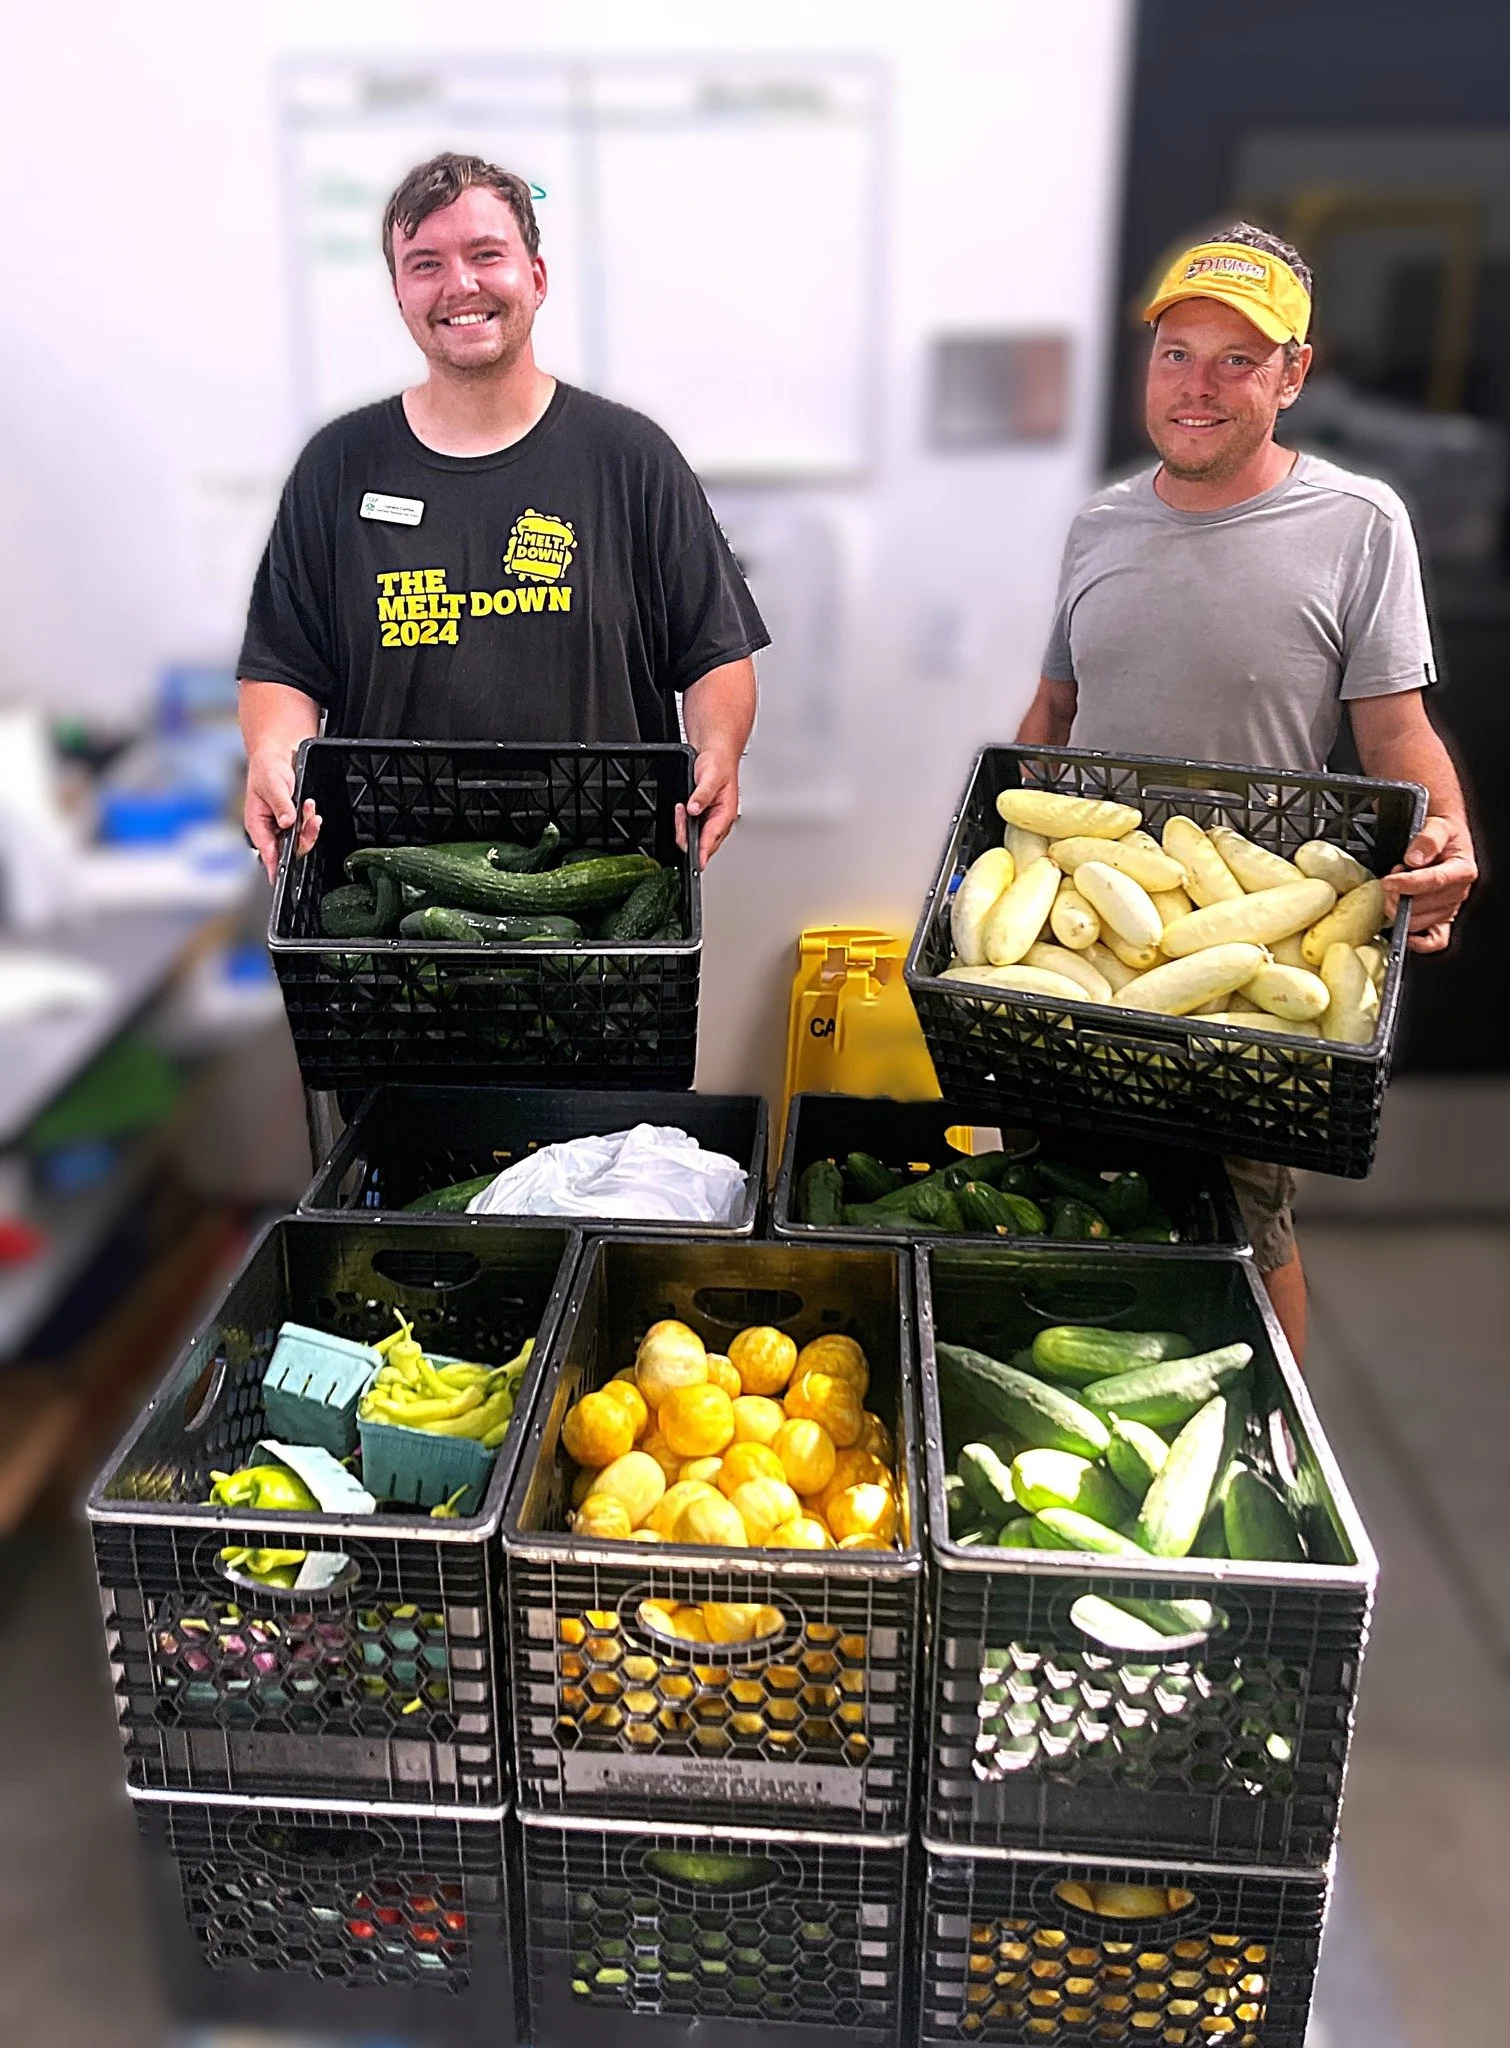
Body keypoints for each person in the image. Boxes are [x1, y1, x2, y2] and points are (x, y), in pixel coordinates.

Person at [1016, 222, 1478, 1360]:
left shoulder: (1356, 524)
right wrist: (996, 859)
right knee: (1053, 1190)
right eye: (1176, 353)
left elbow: (1395, 730)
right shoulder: (1100, 523)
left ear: (1293, 373)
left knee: (1243, 1219)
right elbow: (1054, 717)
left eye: (1237, 358)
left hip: (1242, 940)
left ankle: (1276, 1453)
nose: (1198, 386)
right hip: (1088, 939)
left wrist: (1450, 839)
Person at [239, 151, 767, 876]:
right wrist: (271, 755)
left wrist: (719, 751)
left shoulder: (633, 459)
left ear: (537, 278)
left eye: (486, 254)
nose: (460, 284)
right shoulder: (335, 468)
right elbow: (282, 667)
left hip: (601, 901)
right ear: (399, 294)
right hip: (386, 900)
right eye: (425, 264)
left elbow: (715, 656)